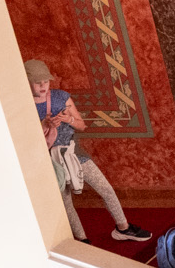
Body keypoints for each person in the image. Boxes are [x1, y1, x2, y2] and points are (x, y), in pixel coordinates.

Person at [27, 59, 148, 245]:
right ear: (28, 82)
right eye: (38, 82)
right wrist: (43, 125)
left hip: (74, 153)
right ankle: (83, 240)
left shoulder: (61, 97)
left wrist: (68, 119)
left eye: (46, 81)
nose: (43, 86)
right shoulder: (24, 106)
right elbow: (25, 140)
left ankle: (123, 228)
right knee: (66, 202)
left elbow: (82, 125)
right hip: (51, 160)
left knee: (105, 189)